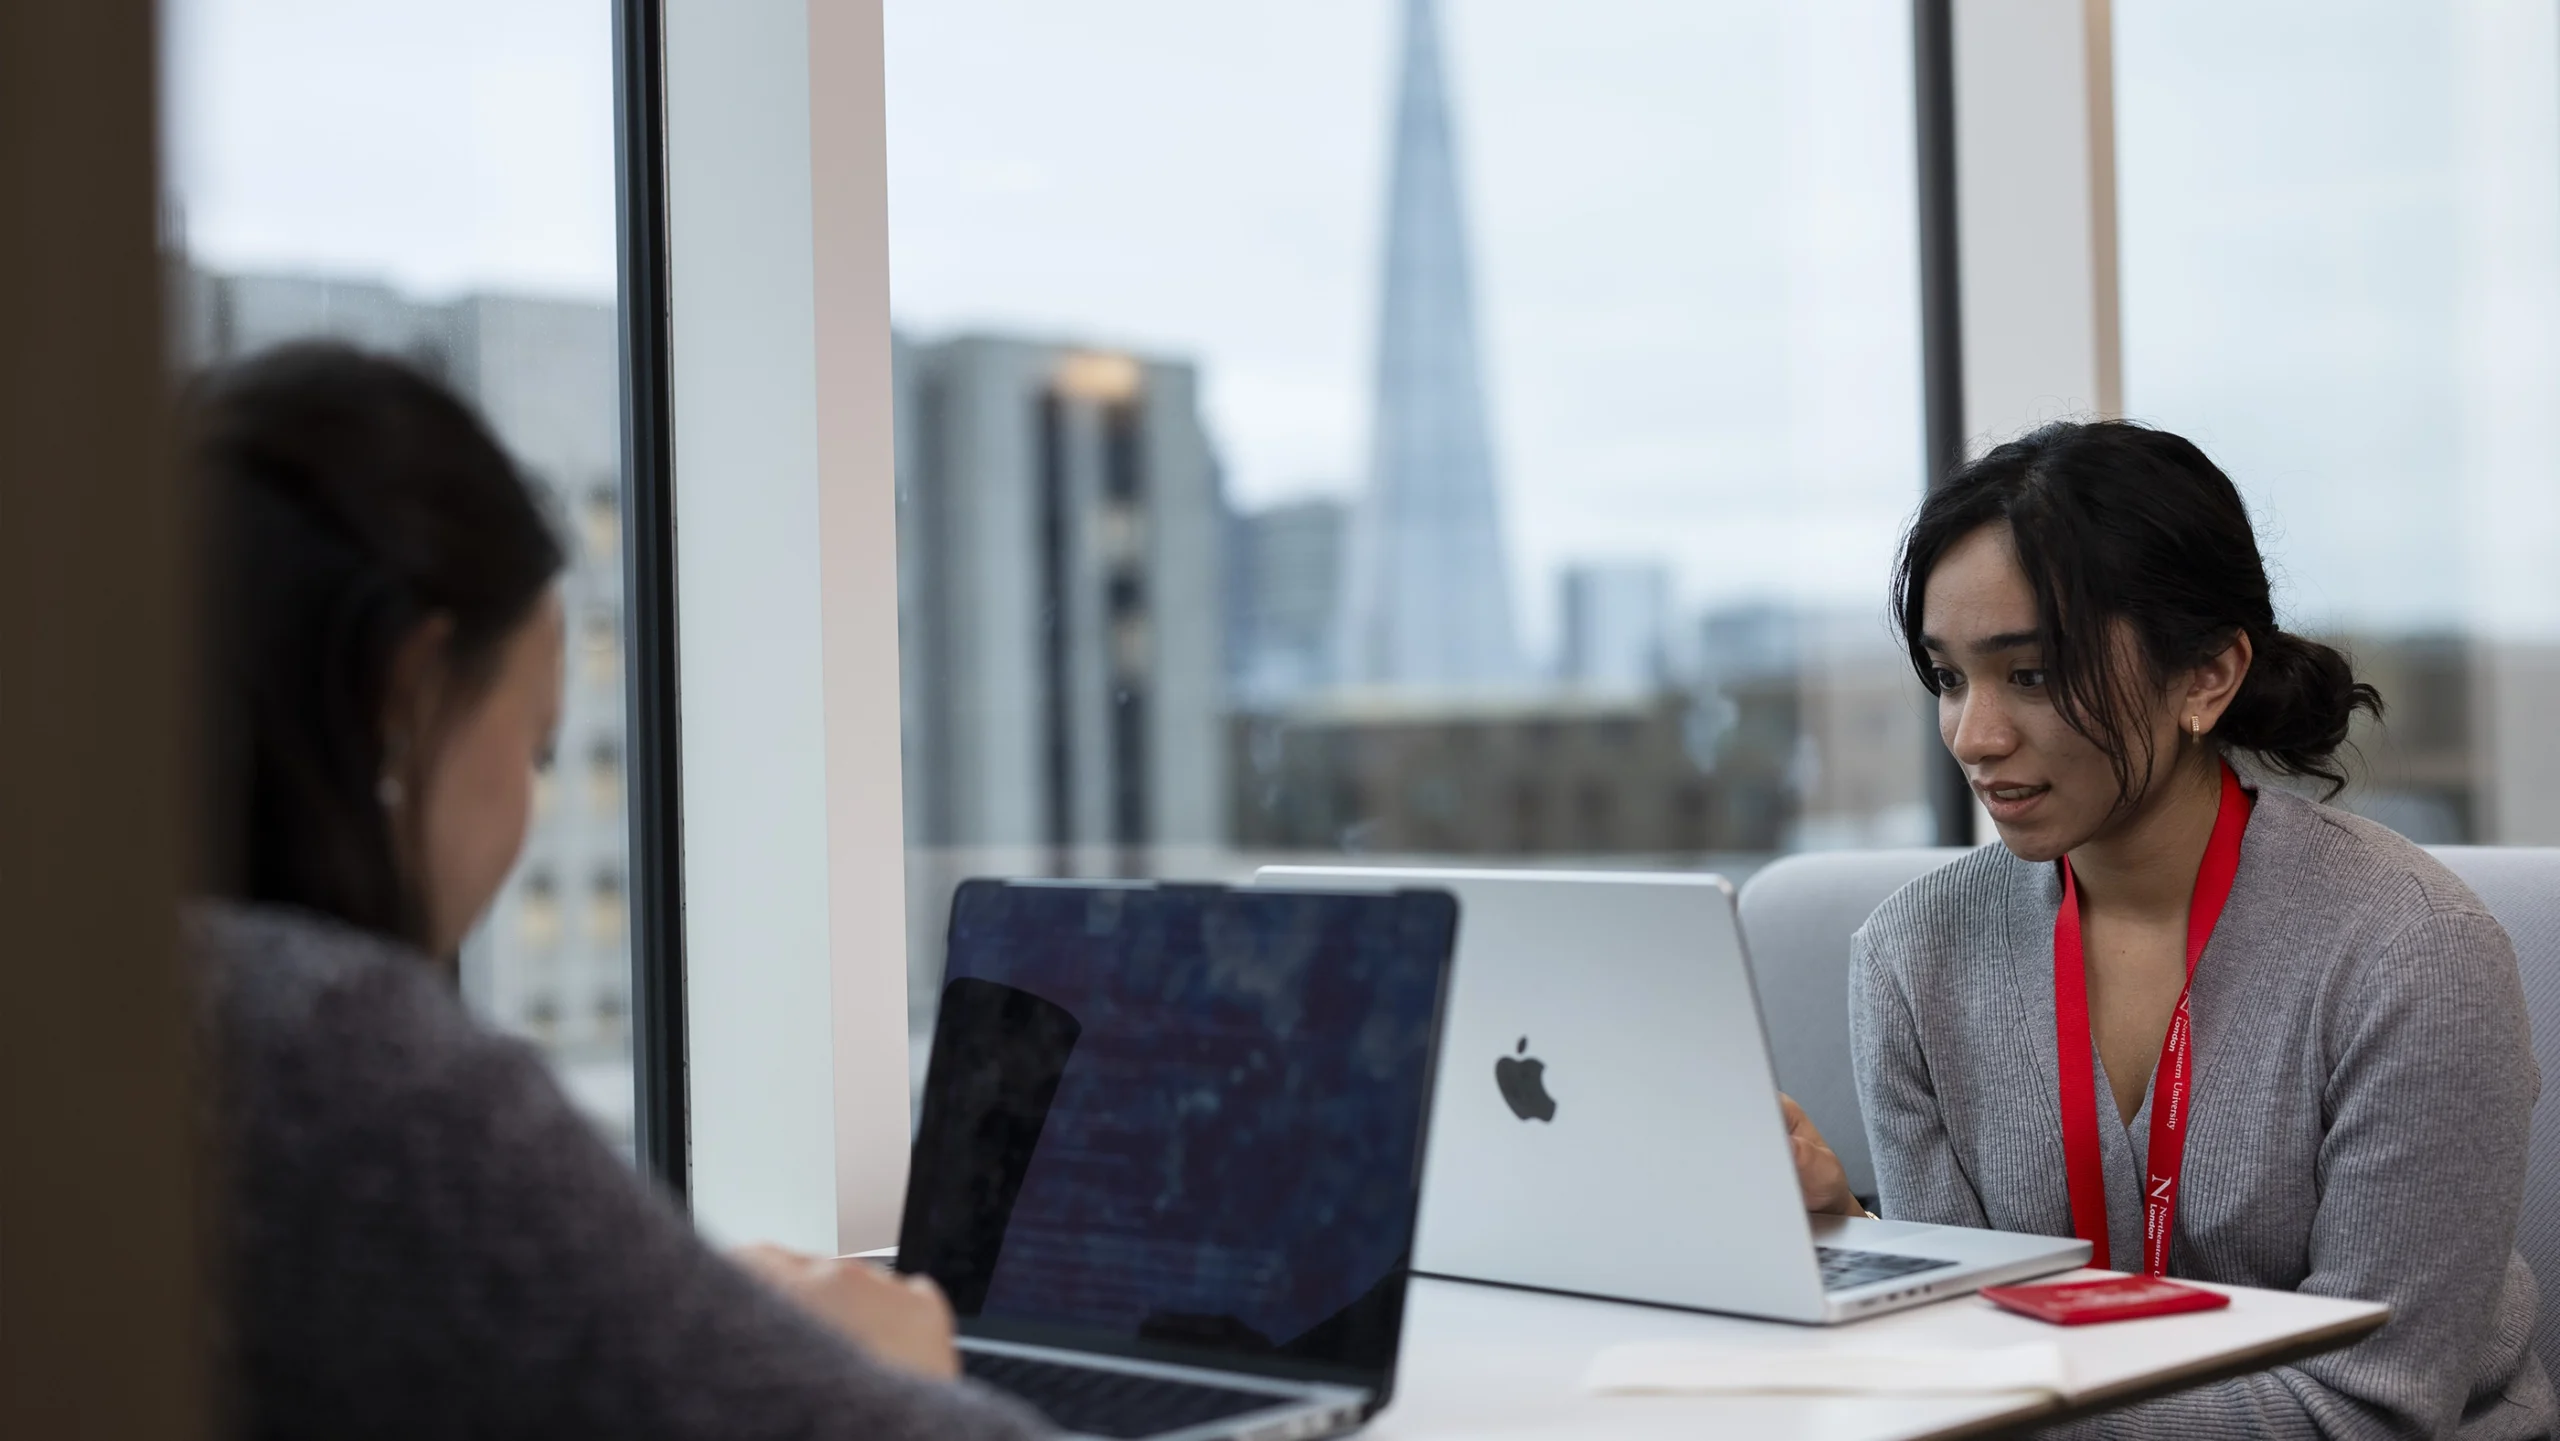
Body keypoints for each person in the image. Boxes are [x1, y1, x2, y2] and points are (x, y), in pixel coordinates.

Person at [191, 343, 1046, 1439]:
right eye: (538, 749)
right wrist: (902, 1377)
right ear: (408, 693)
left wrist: (694, 1318)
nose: (529, 811)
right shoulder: (352, 1072)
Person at [1784, 420, 2553, 1438]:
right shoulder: (1911, 956)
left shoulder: (2411, 954)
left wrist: (2003, 1393)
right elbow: (1964, 1340)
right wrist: (1853, 1239)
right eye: (1948, 676)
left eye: (2031, 673)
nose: (1974, 735)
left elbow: (2371, 1408)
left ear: (2204, 678)